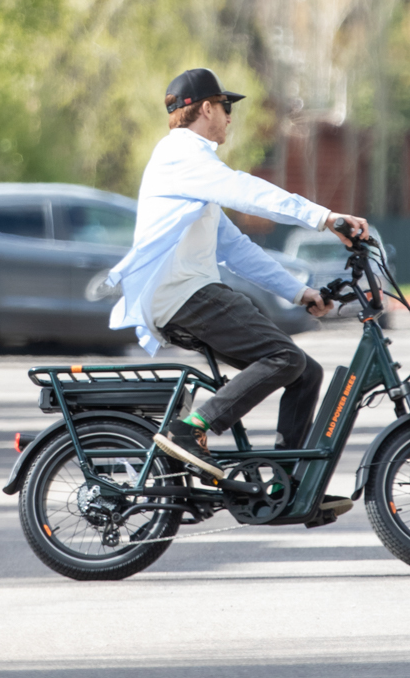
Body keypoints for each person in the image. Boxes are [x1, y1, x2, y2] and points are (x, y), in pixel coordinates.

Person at [105, 68, 370, 516]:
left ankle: (289, 489)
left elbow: (236, 249)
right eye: (226, 107)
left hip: (186, 294)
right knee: (283, 356)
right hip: (183, 295)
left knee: (304, 371)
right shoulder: (182, 155)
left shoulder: (193, 172)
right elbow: (246, 190)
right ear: (206, 108)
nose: (230, 117)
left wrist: (298, 292)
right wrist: (325, 218)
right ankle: (189, 429)